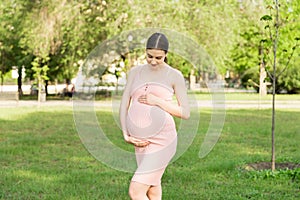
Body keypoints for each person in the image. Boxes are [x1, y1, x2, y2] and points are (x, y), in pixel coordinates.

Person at [119, 32, 190, 200]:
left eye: (158, 57)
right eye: (149, 56)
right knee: (152, 188)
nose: (152, 61)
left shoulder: (174, 75)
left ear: (166, 54)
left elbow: (185, 113)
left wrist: (157, 101)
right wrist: (125, 133)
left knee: (136, 191)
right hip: (140, 142)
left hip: (163, 141)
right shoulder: (135, 72)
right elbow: (124, 103)